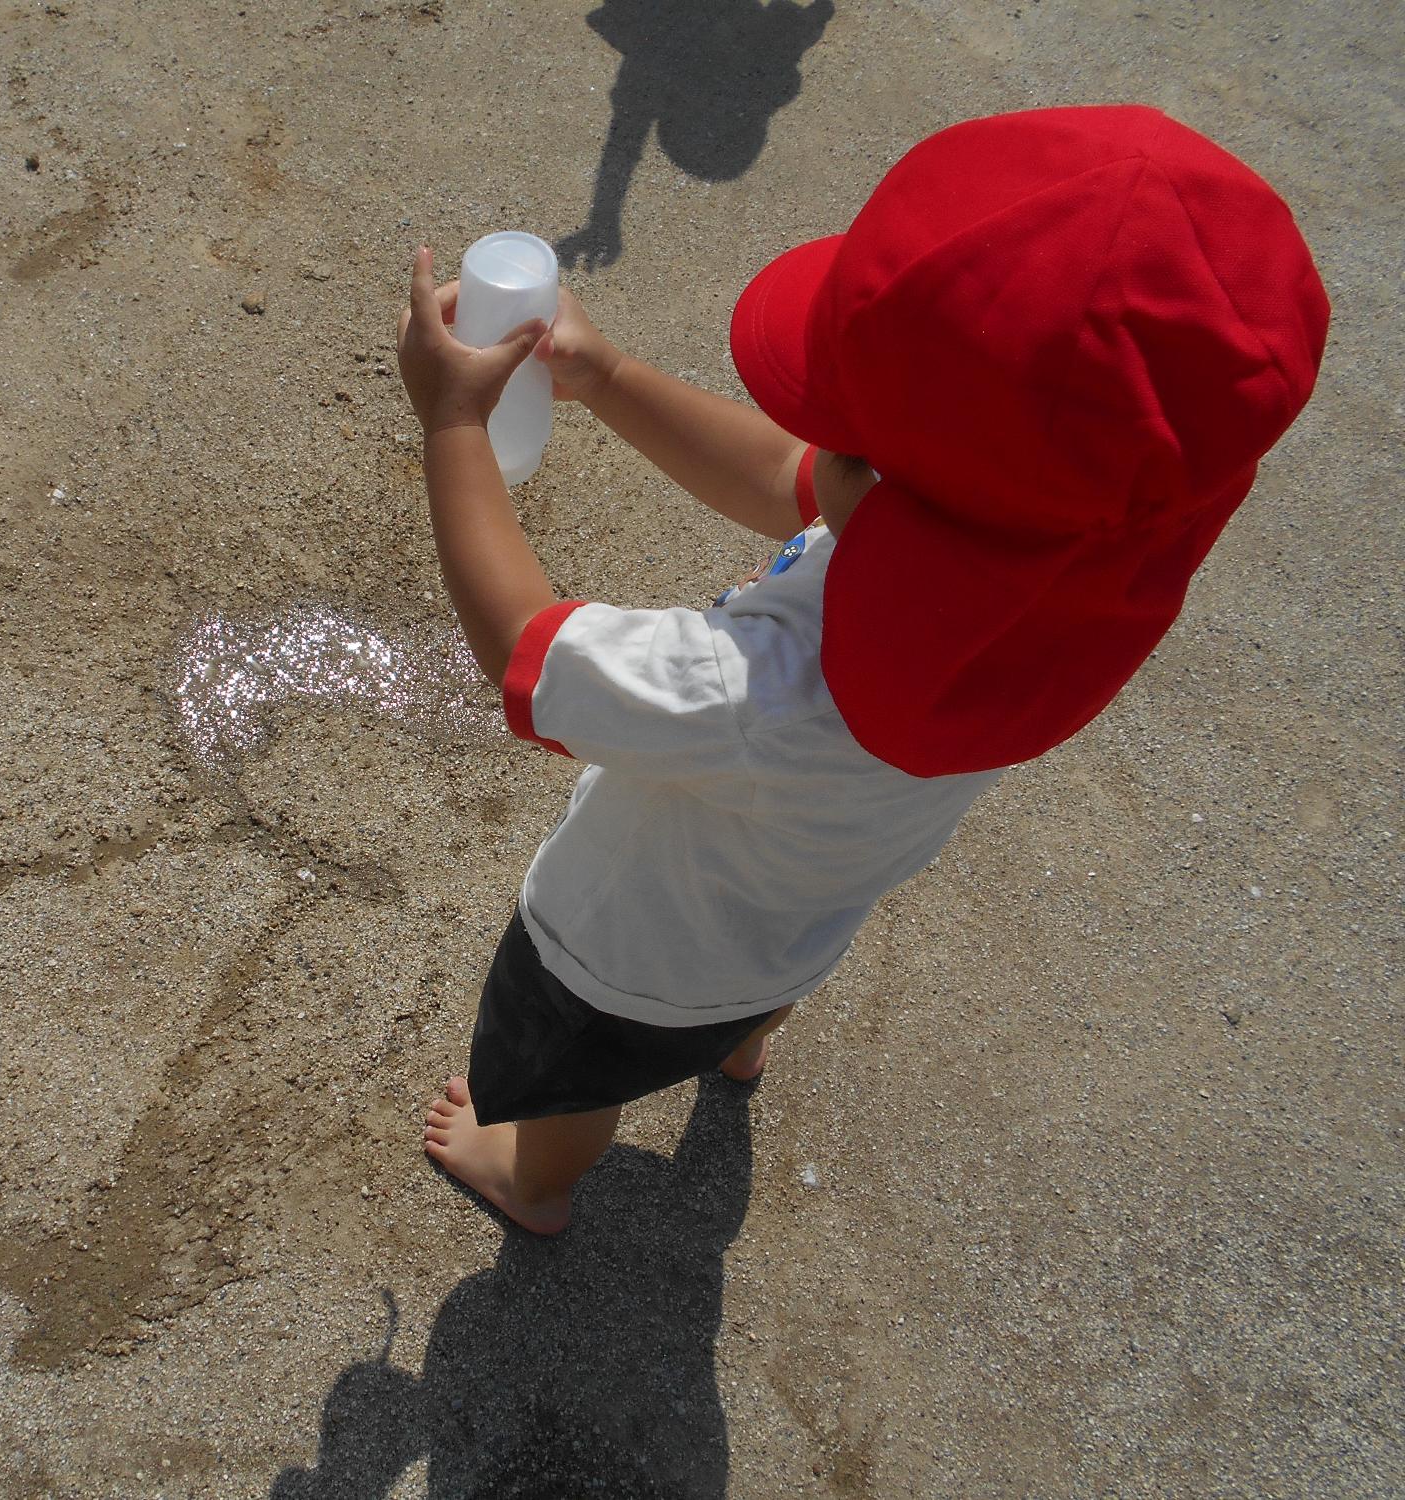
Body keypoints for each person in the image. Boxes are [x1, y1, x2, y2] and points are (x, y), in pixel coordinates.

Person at [394, 105, 1329, 1236]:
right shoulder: (1065, 579)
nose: (819, 451)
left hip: (625, 955)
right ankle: (740, 1042)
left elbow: (525, 651)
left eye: (849, 438)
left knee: (568, 1068)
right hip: (796, 918)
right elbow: (797, 480)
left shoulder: (767, 690)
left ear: (906, 496)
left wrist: (451, 424)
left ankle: (531, 1183)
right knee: (756, 978)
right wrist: (606, 375)